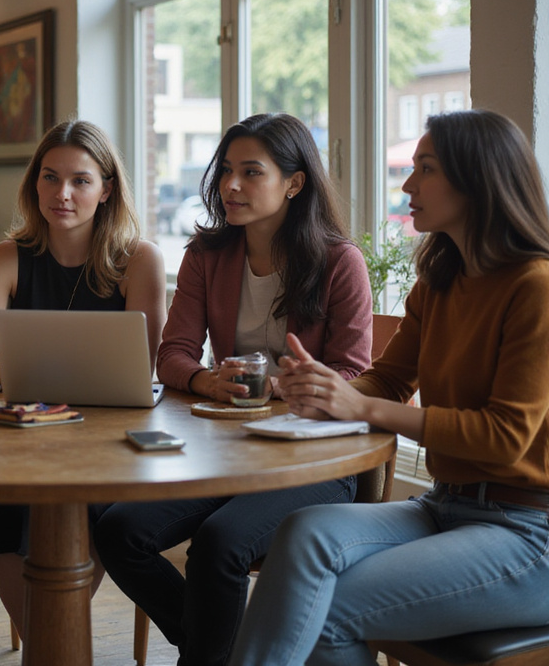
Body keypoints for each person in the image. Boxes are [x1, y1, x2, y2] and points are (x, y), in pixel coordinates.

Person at [230, 109, 549, 665]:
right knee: (303, 531)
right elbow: (390, 381)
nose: (407, 184)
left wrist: (360, 405)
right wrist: (326, 387)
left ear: (478, 180)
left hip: (529, 532)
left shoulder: (536, 289)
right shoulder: (440, 282)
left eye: (426, 168)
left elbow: (503, 438)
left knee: (331, 608)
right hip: (446, 505)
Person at [94, 112, 373, 666]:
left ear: (294, 183)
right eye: (226, 171)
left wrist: (281, 384)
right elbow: (172, 354)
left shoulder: (341, 262)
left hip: (316, 458)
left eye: (251, 172)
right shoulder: (206, 256)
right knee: (117, 527)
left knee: (221, 544)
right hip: (225, 448)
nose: (231, 186)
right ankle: (227, 650)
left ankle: (210, 655)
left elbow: (356, 375)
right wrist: (205, 379)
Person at [0, 119, 167, 638]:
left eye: (80, 180)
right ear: (34, 184)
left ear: (107, 188)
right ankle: (50, 642)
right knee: (12, 502)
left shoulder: (139, 259)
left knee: (81, 500)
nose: (62, 194)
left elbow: (144, 370)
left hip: (110, 444)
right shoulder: (8, 258)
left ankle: (45, 644)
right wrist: (18, 377)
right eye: (50, 178)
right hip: (27, 435)